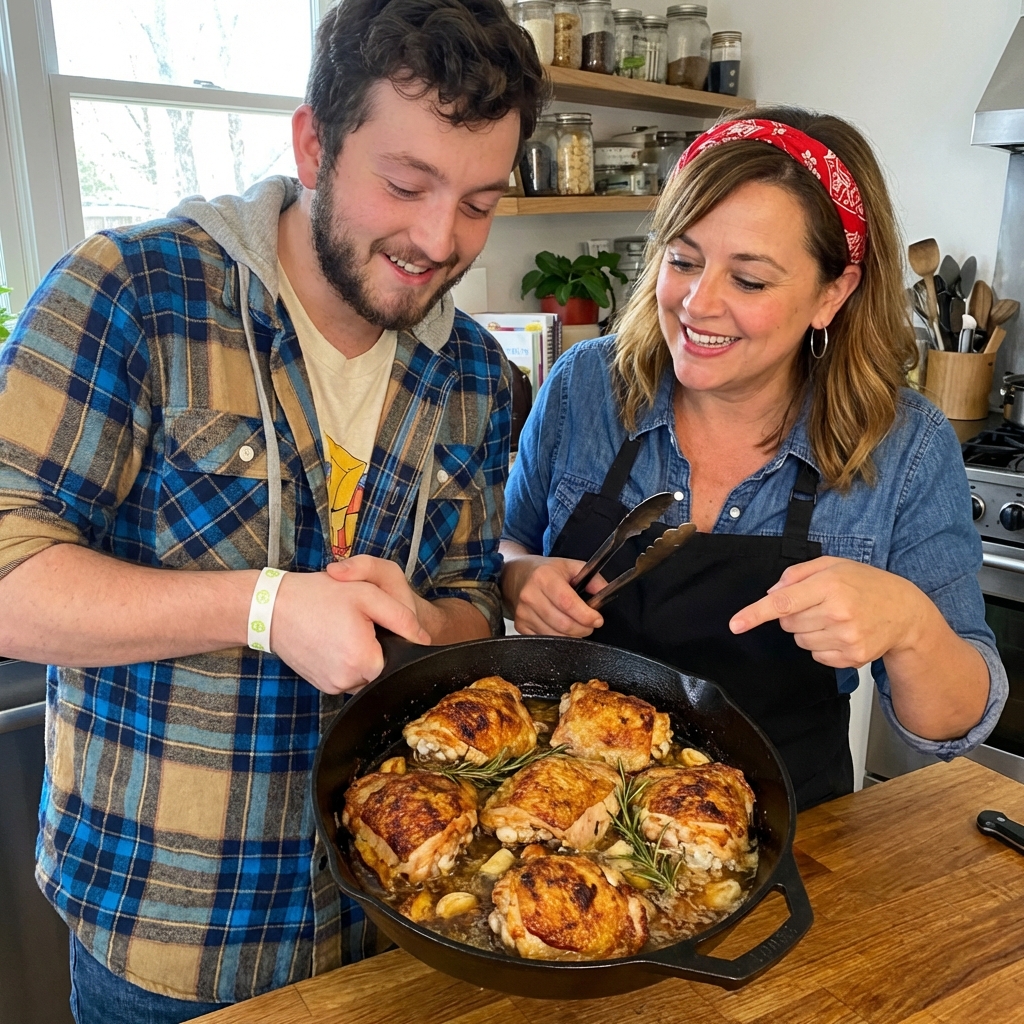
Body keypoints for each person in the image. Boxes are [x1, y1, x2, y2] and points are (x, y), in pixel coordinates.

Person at [0, 0, 545, 1019]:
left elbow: (473, 597)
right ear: (314, 143)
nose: (438, 239)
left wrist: (431, 628)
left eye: (478, 201)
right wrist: (261, 607)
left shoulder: (473, 370)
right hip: (173, 938)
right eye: (405, 183)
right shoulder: (134, 295)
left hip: (398, 919)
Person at [501, 108, 1008, 812]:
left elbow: (949, 724)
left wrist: (911, 625)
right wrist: (517, 577)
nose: (697, 304)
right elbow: (506, 546)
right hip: (565, 815)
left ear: (833, 292)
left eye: (750, 280)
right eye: (682, 261)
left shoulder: (906, 445)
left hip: (790, 836)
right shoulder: (587, 384)